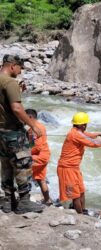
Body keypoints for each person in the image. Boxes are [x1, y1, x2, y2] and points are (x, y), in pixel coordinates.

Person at [0, 54, 44, 214]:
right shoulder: (10, 82)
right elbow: (17, 109)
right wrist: (33, 125)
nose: (20, 72)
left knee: (5, 165)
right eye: (19, 68)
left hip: (1, 132)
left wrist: (18, 91)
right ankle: (24, 202)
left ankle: (7, 201)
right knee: (22, 164)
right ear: (12, 66)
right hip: (13, 133)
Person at [57, 112, 101, 214]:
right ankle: (80, 216)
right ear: (82, 125)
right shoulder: (75, 134)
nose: (86, 126)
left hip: (74, 168)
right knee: (75, 195)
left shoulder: (75, 131)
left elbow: (86, 135)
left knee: (81, 191)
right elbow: (95, 143)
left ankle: (83, 211)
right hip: (67, 168)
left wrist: (97, 134)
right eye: (85, 124)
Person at [25, 109, 53, 206]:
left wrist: (25, 153)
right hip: (44, 155)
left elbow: (37, 146)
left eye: (24, 117)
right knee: (40, 179)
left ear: (30, 117)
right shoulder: (39, 126)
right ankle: (47, 200)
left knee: (24, 175)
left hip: (39, 156)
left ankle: (24, 200)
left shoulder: (34, 129)